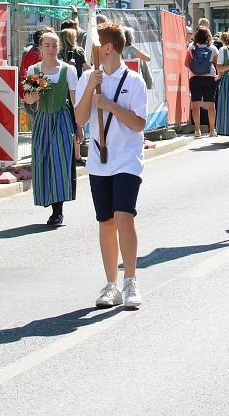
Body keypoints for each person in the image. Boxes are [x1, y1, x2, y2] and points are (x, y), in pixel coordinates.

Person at [76, 21, 148, 309]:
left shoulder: (134, 81)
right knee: (105, 222)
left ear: (107, 48)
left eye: (94, 44)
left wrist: (110, 105)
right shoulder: (88, 78)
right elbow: (80, 119)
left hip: (127, 160)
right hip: (99, 160)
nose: (90, 50)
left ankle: (130, 280)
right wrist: (91, 89)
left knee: (123, 217)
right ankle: (111, 284)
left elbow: (139, 123)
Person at [24, 31, 81, 226]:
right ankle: (48, 198)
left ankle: (58, 211)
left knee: (60, 161)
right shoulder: (35, 69)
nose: (51, 49)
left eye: (54, 45)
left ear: (60, 47)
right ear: (40, 48)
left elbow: (75, 101)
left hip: (62, 118)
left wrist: (79, 125)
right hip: (42, 119)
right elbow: (29, 99)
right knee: (42, 159)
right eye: (47, 45)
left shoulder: (67, 70)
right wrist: (35, 93)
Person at [186, 27, 217, 138]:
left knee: (195, 105)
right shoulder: (213, 48)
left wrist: (195, 69)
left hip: (195, 78)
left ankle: (197, 130)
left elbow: (186, 63)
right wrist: (218, 75)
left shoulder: (191, 47)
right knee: (211, 105)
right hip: (210, 78)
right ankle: (212, 130)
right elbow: (217, 64)